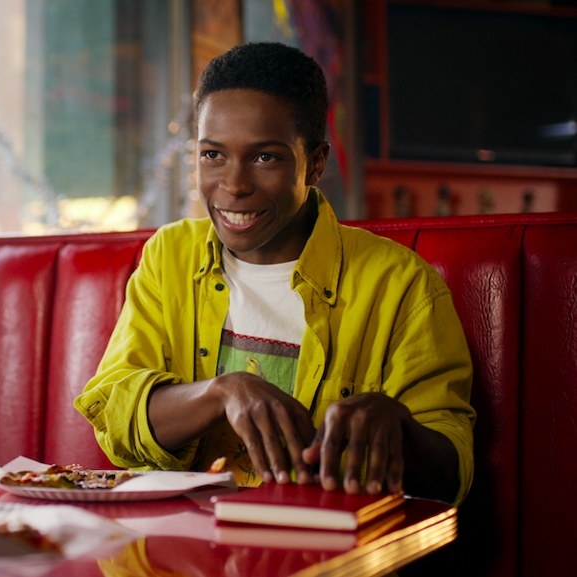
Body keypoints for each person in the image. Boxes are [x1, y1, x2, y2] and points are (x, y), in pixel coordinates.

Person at [75, 42, 475, 506]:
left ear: (316, 163)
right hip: (183, 552)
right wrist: (223, 392)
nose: (234, 184)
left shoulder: (401, 283)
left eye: (265, 157)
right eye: (212, 155)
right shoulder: (170, 256)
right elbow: (116, 419)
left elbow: (453, 475)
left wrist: (401, 429)